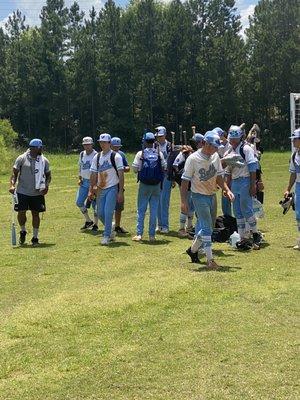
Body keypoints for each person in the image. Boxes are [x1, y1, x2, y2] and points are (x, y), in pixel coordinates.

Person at [181, 131, 234, 268]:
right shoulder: (193, 159)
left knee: (209, 228)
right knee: (205, 227)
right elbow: (185, 182)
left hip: (211, 195)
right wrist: (183, 202)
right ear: (205, 144)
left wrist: (227, 190)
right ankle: (210, 261)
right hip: (198, 196)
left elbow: (219, 177)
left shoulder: (215, 156)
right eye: (213, 146)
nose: (215, 149)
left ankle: (192, 251)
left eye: (217, 147)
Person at [224, 125, 261, 250]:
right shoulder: (228, 151)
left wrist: (253, 185)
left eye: (235, 138)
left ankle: (256, 234)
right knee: (237, 211)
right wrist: (227, 188)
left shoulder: (246, 149)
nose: (232, 141)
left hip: (245, 181)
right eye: (231, 138)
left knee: (247, 209)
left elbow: (252, 167)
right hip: (235, 183)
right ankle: (242, 238)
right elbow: (228, 172)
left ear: (240, 137)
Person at [9, 138, 51, 246]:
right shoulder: (21, 158)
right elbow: (14, 174)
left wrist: (46, 186)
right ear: (34, 148)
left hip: (37, 192)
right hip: (22, 191)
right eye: (40, 147)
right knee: (21, 212)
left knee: (35, 214)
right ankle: (23, 231)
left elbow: (48, 175)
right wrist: (12, 185)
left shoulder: (44, 160)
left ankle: (35, 238)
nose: (41, 149)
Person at [89, 133, 124, 245]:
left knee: (108, 212)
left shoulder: (116, 156)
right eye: (100, 142)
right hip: (100, 188)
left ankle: (106, 235)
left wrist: (120, 192)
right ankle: (111, 227)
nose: (102, 144)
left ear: (110, 143)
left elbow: (121, 174)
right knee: (99, 213)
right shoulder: (97, 157)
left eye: (104, 142)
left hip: (112, 187)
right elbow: (93, 173)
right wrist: (91, 188)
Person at [132, 132, 167, 242]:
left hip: (144, 185)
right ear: (154, 142)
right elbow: (164, 167)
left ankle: (139, 234)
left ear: (144, 141)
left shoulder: (140, 153)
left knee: (141, 210)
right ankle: (152, 235)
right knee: (154, 210)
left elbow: (134, 168)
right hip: (156, 185)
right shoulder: (159, 153)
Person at [76, 136, 98, 231]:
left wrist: (95, 184)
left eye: (88, 144)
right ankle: (88, 220)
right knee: (79, 202)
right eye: (85, 145)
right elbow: (80, 167)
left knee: (95, 204)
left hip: (93, 182)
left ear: (92, 144)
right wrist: (80, 178)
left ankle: (96, 224)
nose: (86, 146)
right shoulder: (82, 154)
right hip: (84, 182)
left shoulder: (96, 155)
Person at [283, 128, 300, 250]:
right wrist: (288, 189)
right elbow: (293, 174)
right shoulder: (294, 155)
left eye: (295, 139)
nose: (293, 141)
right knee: (298, 215)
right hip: (299, 187)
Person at [111, 137, 130, 234]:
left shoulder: (121, 155)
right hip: (108, 184)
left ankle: (117, 226)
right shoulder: (107, 155)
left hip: (119, 184)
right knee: (108, 206)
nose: (116, 149)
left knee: (119, 206)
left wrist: (121, 168)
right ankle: (109, 226)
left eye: (118, 147)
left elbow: (128, 168)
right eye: (115, 147)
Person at [155, 126, 173, 233]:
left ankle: (165, 225)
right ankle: (159, 224)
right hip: (157, 175)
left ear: (165, 135)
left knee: (164, 200)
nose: (159, 138)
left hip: (167, 175)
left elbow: (172, 160)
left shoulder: (170, 145)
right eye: (158, 136)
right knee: (157, 200)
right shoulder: (154, 145)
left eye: (161, 136)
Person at [213, 127, 233, 217]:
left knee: (233, 195)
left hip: (232, 173)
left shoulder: (231, 144)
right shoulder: (216, 145)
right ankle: (227, 217)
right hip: (221, 173)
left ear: (222, 135)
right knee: (225, 196)